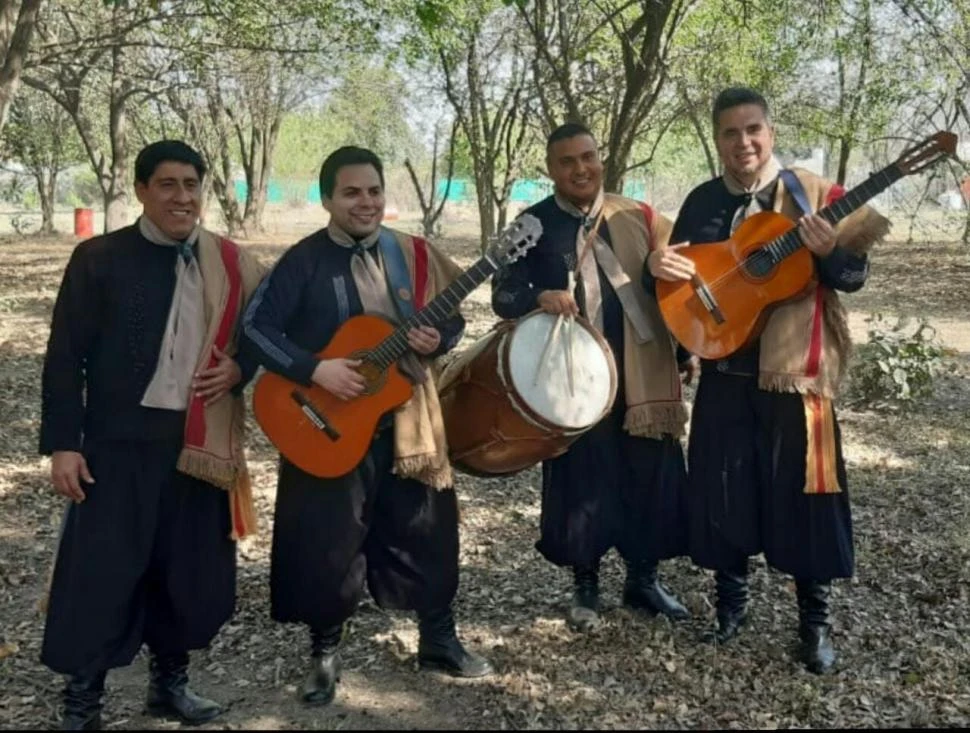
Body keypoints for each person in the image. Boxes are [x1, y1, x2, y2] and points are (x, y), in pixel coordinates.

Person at [645, 87, 889, 673]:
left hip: (795, 374)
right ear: (718, 140)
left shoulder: (811, 194)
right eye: (730, 132)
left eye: (753, 129)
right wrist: (658, 264)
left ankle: (814, 624)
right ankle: (731, 608)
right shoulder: (703, 201)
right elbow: (684, 278)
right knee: (723, 489)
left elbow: (852, 276)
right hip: (725, 372)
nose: (743, 142)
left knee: (807, 495)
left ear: (770, 133)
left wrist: (830, 254)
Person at [241, 145, 493, 707]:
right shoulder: (302, 261)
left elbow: (451, 320)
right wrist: (315, 370)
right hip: (324, 427)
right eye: (352, 192)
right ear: (327, 198)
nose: (366, 202)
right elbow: (256, 332)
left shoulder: (414, 254)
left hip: (408, 423)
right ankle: (324, 653)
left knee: (429, 531)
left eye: (374, 191)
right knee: (327, 545)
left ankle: (438, 638)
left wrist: (439, 339)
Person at [39, 140, 266, 729]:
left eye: (191, 184)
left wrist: (243, 369)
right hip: (115, 448)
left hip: (195, 447)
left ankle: (170, 684)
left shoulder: (232, 264)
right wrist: (65, 443)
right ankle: (83, 700)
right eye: (167, 184)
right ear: (141, 190)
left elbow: (267, 337)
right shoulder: (99, 259)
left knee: (184, 572)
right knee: (103, 573)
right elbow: (65, 357)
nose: (181, 197)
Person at [491, 123, 694, 632]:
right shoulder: (531, 225)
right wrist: (538, 297)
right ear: (550, 169)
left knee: (648, 474)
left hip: (644, 373)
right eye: (567, 161)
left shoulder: (641, 216)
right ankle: (586, 584)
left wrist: (689, 350)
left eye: (588, 157)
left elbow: (679, 286)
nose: (581, 169)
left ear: (600, 158)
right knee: (583, 478)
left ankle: (643, 580)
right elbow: (501, 295)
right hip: (573, 379)